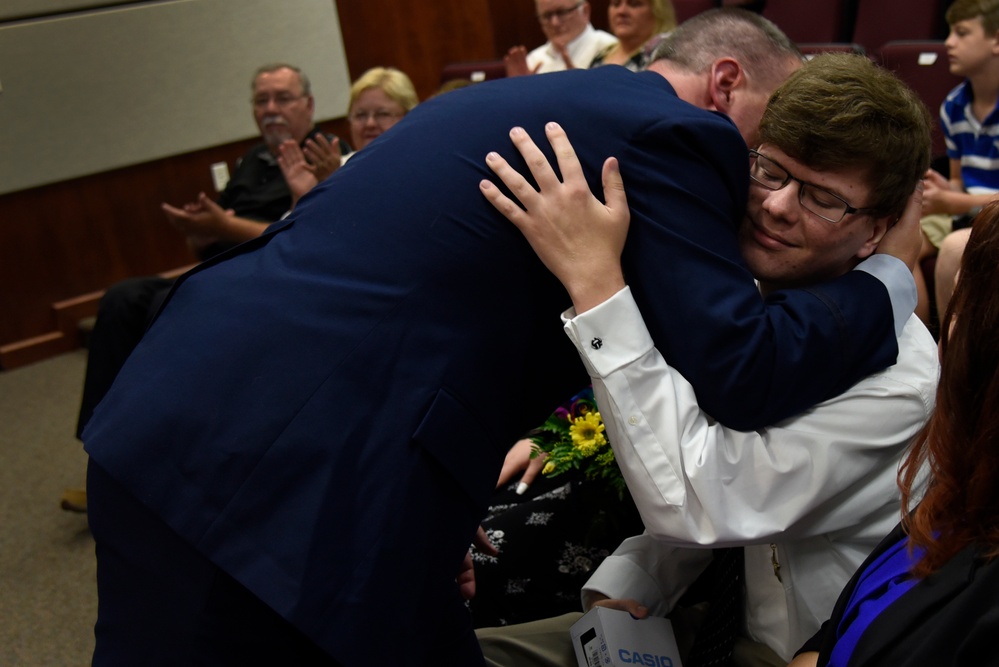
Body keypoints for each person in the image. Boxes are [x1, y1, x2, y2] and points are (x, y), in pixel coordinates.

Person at [82, 10, 916, 666]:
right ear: (726, 84)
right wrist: (894, 280)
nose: (759, 195)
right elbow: (745, 366)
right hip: (294, 477)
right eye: (765, 160)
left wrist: (429, 509)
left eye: (817, 192)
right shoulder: (681, 137)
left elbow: (430, 303)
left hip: (189, 412)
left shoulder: (525, 103)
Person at [474, 52, 936, 667]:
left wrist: (597, 284)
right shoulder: (740, 296)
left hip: (803, 652)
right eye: (770, 170)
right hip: (702, 619)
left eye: (823, 198)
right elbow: (718, 474)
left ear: (877, 232)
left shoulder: (900, 375)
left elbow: (711, 501)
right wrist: (634, 584)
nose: (776, 206)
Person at [61, 63, 347, 513]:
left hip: (272, 285)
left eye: (282, 99)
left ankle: (166, 459)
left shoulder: (329, 155)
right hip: (220, 271)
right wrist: (202, 231)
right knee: (121, 298)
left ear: (308, 105)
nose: (271, 110)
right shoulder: (253, 161)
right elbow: (218, 234)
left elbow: (309, 239)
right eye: (261, 100)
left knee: (167, 306)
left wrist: (226, 225)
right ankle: (104, 449)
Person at [789, 201, 999, 667]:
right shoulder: (964, 488)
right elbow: (842, 627)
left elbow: (710, 502)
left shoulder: (904, 387)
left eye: (962, 309)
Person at [915, 0, 999, 326]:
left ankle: (955, 359)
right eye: (950, 32)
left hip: (990, 215)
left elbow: (961, 198)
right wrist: (940, 191)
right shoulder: (953, 106)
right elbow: (959, 183)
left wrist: (954, 201)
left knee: (952, 248)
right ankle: (918, 352)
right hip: (967, 210)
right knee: (895, 238)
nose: (949, 42)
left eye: (962, 33)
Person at [504, 0, 617, 76]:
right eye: (547, 16)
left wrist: (579, 85)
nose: (555, 23)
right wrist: (519, 89)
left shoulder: (610, 49)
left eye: (562, 12)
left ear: (585, 11)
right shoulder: (533, 60)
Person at [589, 0, 677, 71]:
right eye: (616, 4)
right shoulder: (601, 54)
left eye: (634, 4)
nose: (621, 11)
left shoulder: (664, 54)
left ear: (658, 11)